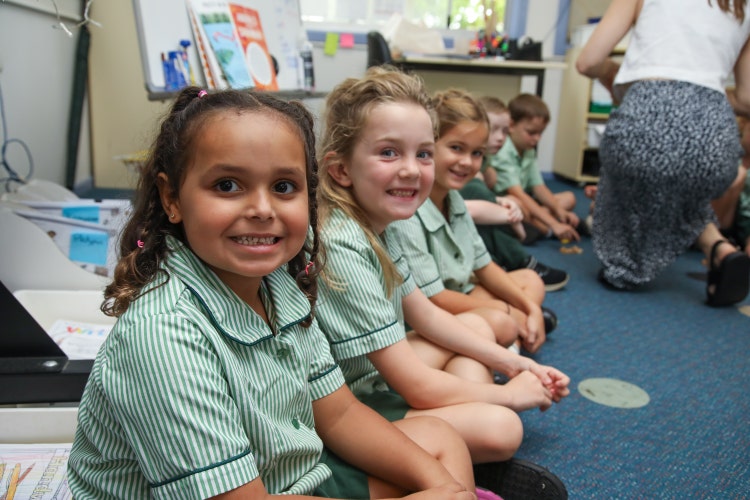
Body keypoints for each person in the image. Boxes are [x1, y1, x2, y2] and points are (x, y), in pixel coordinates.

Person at [66, 87, 482, 499]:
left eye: (284, 187)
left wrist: (440, 486)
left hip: (284, 475)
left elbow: (339, 414)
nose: (263, 210)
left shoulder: (278, 282)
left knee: (441, 443)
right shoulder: (162, 335)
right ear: (172, 197)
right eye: (228, 185)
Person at [314, 67, 570, 485]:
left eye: (423, 153)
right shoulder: (340, 241)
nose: (413, 170)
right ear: (341, 170)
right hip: (350, 405)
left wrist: (516, 361)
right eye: (389, 152)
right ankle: (456, 460)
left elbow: (428, 317)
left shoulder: (383, 221)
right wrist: (510, 394)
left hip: (371, 374)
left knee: (472, 329)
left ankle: (458, 458)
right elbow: (416, 386)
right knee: (504, 426)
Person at [576, 0, 750, 305]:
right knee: (683, 180)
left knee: (634, 177)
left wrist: (618, 74)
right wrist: (705, 92)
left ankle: (624, 269)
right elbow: (747, 99)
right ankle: (719, 247)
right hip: (717, 140)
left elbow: (588, 62)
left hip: (646, 122)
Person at [390, 88, 559, 354]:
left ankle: (514, 336)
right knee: (502, 318)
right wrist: (506, 309)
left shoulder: (454, 199)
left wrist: (529, 307)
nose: (467, 162)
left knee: (531, 281)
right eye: (456, 148)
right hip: (431, 314)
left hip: (462, 295)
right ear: (428, 147)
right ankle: (511, 340)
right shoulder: (408, 212)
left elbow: (485, 265)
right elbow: (435, 299)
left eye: (478, 153)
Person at [459, 95, 570, 292]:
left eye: (504, 130)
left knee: (566, 198)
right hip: (477, 213)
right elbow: (473, 198)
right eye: (494, 130)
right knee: (489, 199)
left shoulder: (487, 160)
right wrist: (507, 212)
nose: (501, 137)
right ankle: (520, 260)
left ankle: (500, 260)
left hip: (483, 213)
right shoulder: (475, 163)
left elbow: (536, 187)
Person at [484, 93, 581, 244]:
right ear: (512, 125)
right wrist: (553, 223)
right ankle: (546, 229)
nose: (537, 139)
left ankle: (539, 224)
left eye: (540, 133)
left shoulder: (528, 150)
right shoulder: (502, 151)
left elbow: (539, 187)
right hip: (513, 202)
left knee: (569, 198)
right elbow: (518, 194)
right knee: (520, 205)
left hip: (528, 201)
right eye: (531, 133)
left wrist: (558, 210)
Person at [713, 116, 750, 257]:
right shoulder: (724, 152)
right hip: (719, 223)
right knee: (736, 174)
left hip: (745, 228)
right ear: (744, 125)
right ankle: (716, 243)